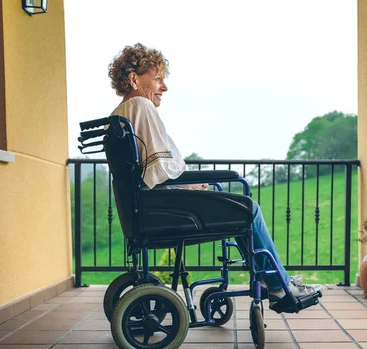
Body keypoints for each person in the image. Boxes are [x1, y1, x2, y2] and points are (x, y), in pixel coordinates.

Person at [108, 43, 322, 309]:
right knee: (248, 209)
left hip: (143, 208)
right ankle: (277, 286)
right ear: (134, 79)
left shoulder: (118, 114)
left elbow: (148, 170)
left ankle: (273, 281)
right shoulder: (140, 106)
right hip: (163, 208)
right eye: (158, 79)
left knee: (239, 210)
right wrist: (188, 186)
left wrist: (187, 182)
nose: (164, 87)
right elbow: (159, 171)